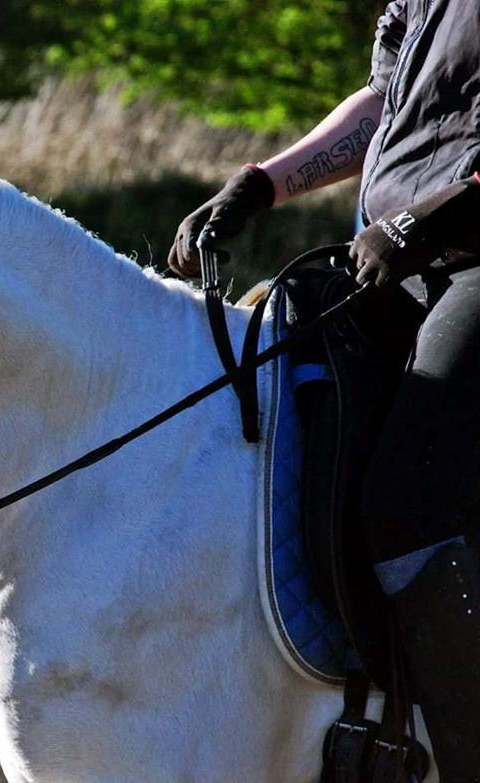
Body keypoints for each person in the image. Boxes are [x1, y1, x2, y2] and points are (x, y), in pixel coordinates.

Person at [167, 2, 480, 778]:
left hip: (469, 260)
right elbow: (385, 100)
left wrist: (425, 221)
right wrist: (261, 183)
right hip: (398, 257)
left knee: (408, 500)